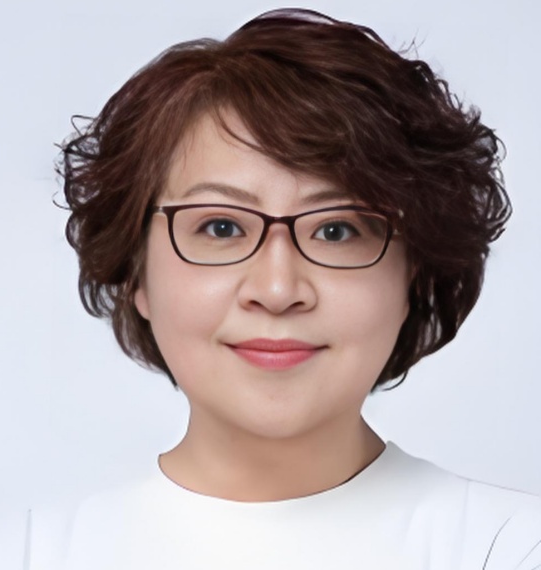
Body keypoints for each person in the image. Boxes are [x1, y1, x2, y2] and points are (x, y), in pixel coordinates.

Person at [33, 7, 539, 569]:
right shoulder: (25, 554)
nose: (277, 290)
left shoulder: (511, 549)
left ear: (413, 275)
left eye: (336, 230)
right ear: (136, 273)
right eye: (221, 227)